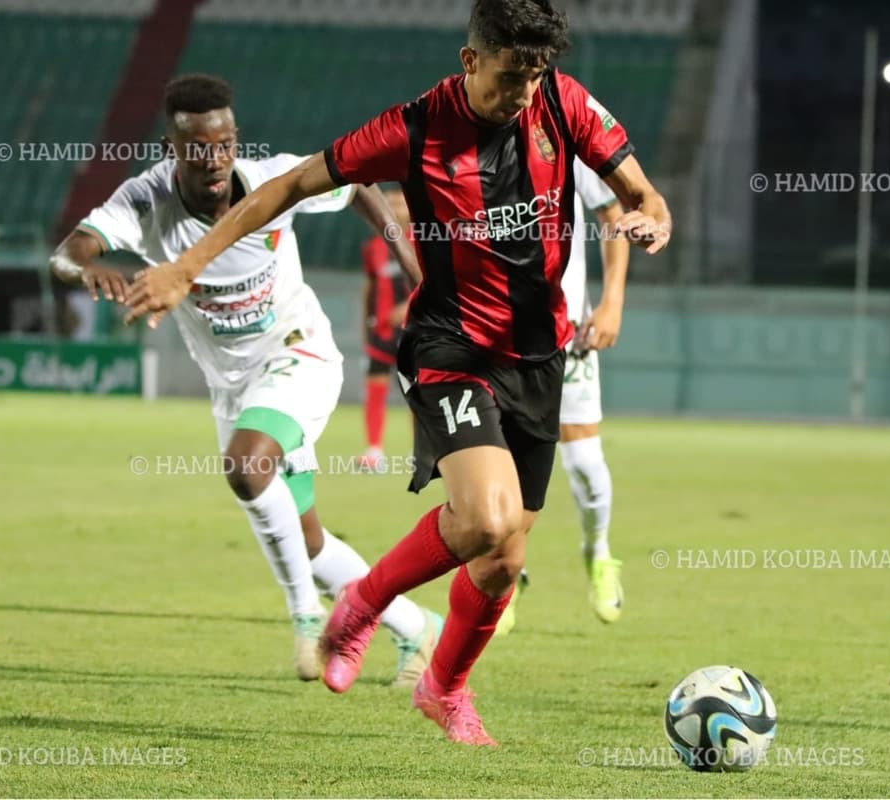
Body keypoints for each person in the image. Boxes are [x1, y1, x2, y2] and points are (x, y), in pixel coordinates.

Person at [123, 1, 671, 747]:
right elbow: (290, 186)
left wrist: (651, 222)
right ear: (470, 61)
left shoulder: (563, 102)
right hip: (452, 348)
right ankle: (362, 604)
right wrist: (188, 265)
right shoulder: (413, 128)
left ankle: (444, 689)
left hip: (540, 357)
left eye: (533, 77)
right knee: (485, 519)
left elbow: (644, 197)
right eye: (510, 77)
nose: (521, 95)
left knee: (504, 560)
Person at [51, 73, 442, 688]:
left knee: (246, 466)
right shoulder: (144, 200)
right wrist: (88, 272)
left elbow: (360, 181)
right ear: (171, 148)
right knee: (309, 546)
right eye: (199, 146)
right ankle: (419, 627)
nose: (215, 158)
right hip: (234, 388)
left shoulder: (270, 182)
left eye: (226, 142)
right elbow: (68, 252)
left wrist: (406, 256)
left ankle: (305, 619)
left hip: (299, 353)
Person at [495, 158, 628, 636]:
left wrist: (611, 302)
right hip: (492, 331)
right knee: (495, 466)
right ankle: (505, 576)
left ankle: (598, 553)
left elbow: (613, 217)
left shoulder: (567, 139)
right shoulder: (466, 141)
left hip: (566, 332)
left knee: (586, 464)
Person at [357, 188, 412, 470]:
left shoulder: (423, 241)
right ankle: (374, 451)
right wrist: (364, 320)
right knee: (375, 389)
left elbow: (434, 282)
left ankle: (421, 454)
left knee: (418, 394)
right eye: (388, 203)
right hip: (381, 331)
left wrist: (407, 308)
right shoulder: (374, 246)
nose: (393, 208)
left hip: (413, 332)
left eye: (399, 203)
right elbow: (370, 286)